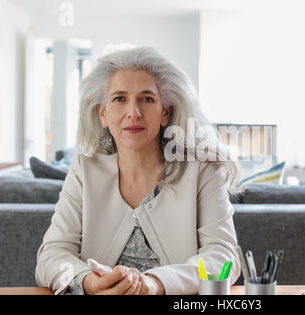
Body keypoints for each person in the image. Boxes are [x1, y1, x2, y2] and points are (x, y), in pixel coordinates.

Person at [35, 46, 243, 295]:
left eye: (146, 99)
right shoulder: (83, 171)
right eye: (119, 99)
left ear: (165, 113)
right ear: (103, 113)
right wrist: (87, 281)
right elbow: (51, 256)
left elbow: (223, 258)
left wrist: (156, 284)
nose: (133, 113)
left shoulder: (203, 172)